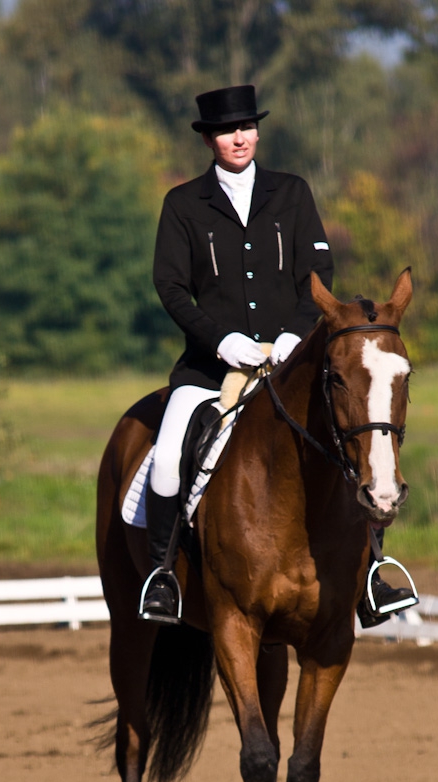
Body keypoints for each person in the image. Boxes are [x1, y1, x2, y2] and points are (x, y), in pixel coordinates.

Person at [140, 84, 414, 627]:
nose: (237, 138)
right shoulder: (183, 205)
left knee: (354, 435)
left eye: (245, 128)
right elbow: (170, 287)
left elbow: (318, 275)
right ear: (209, 139)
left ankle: (371, 574)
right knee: (169, 456)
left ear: (257, 132)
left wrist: (294, 333)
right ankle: (163, 575)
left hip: (290, 362)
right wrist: (221, 340)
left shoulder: (292, 193)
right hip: (211, 366)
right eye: (225, 131)